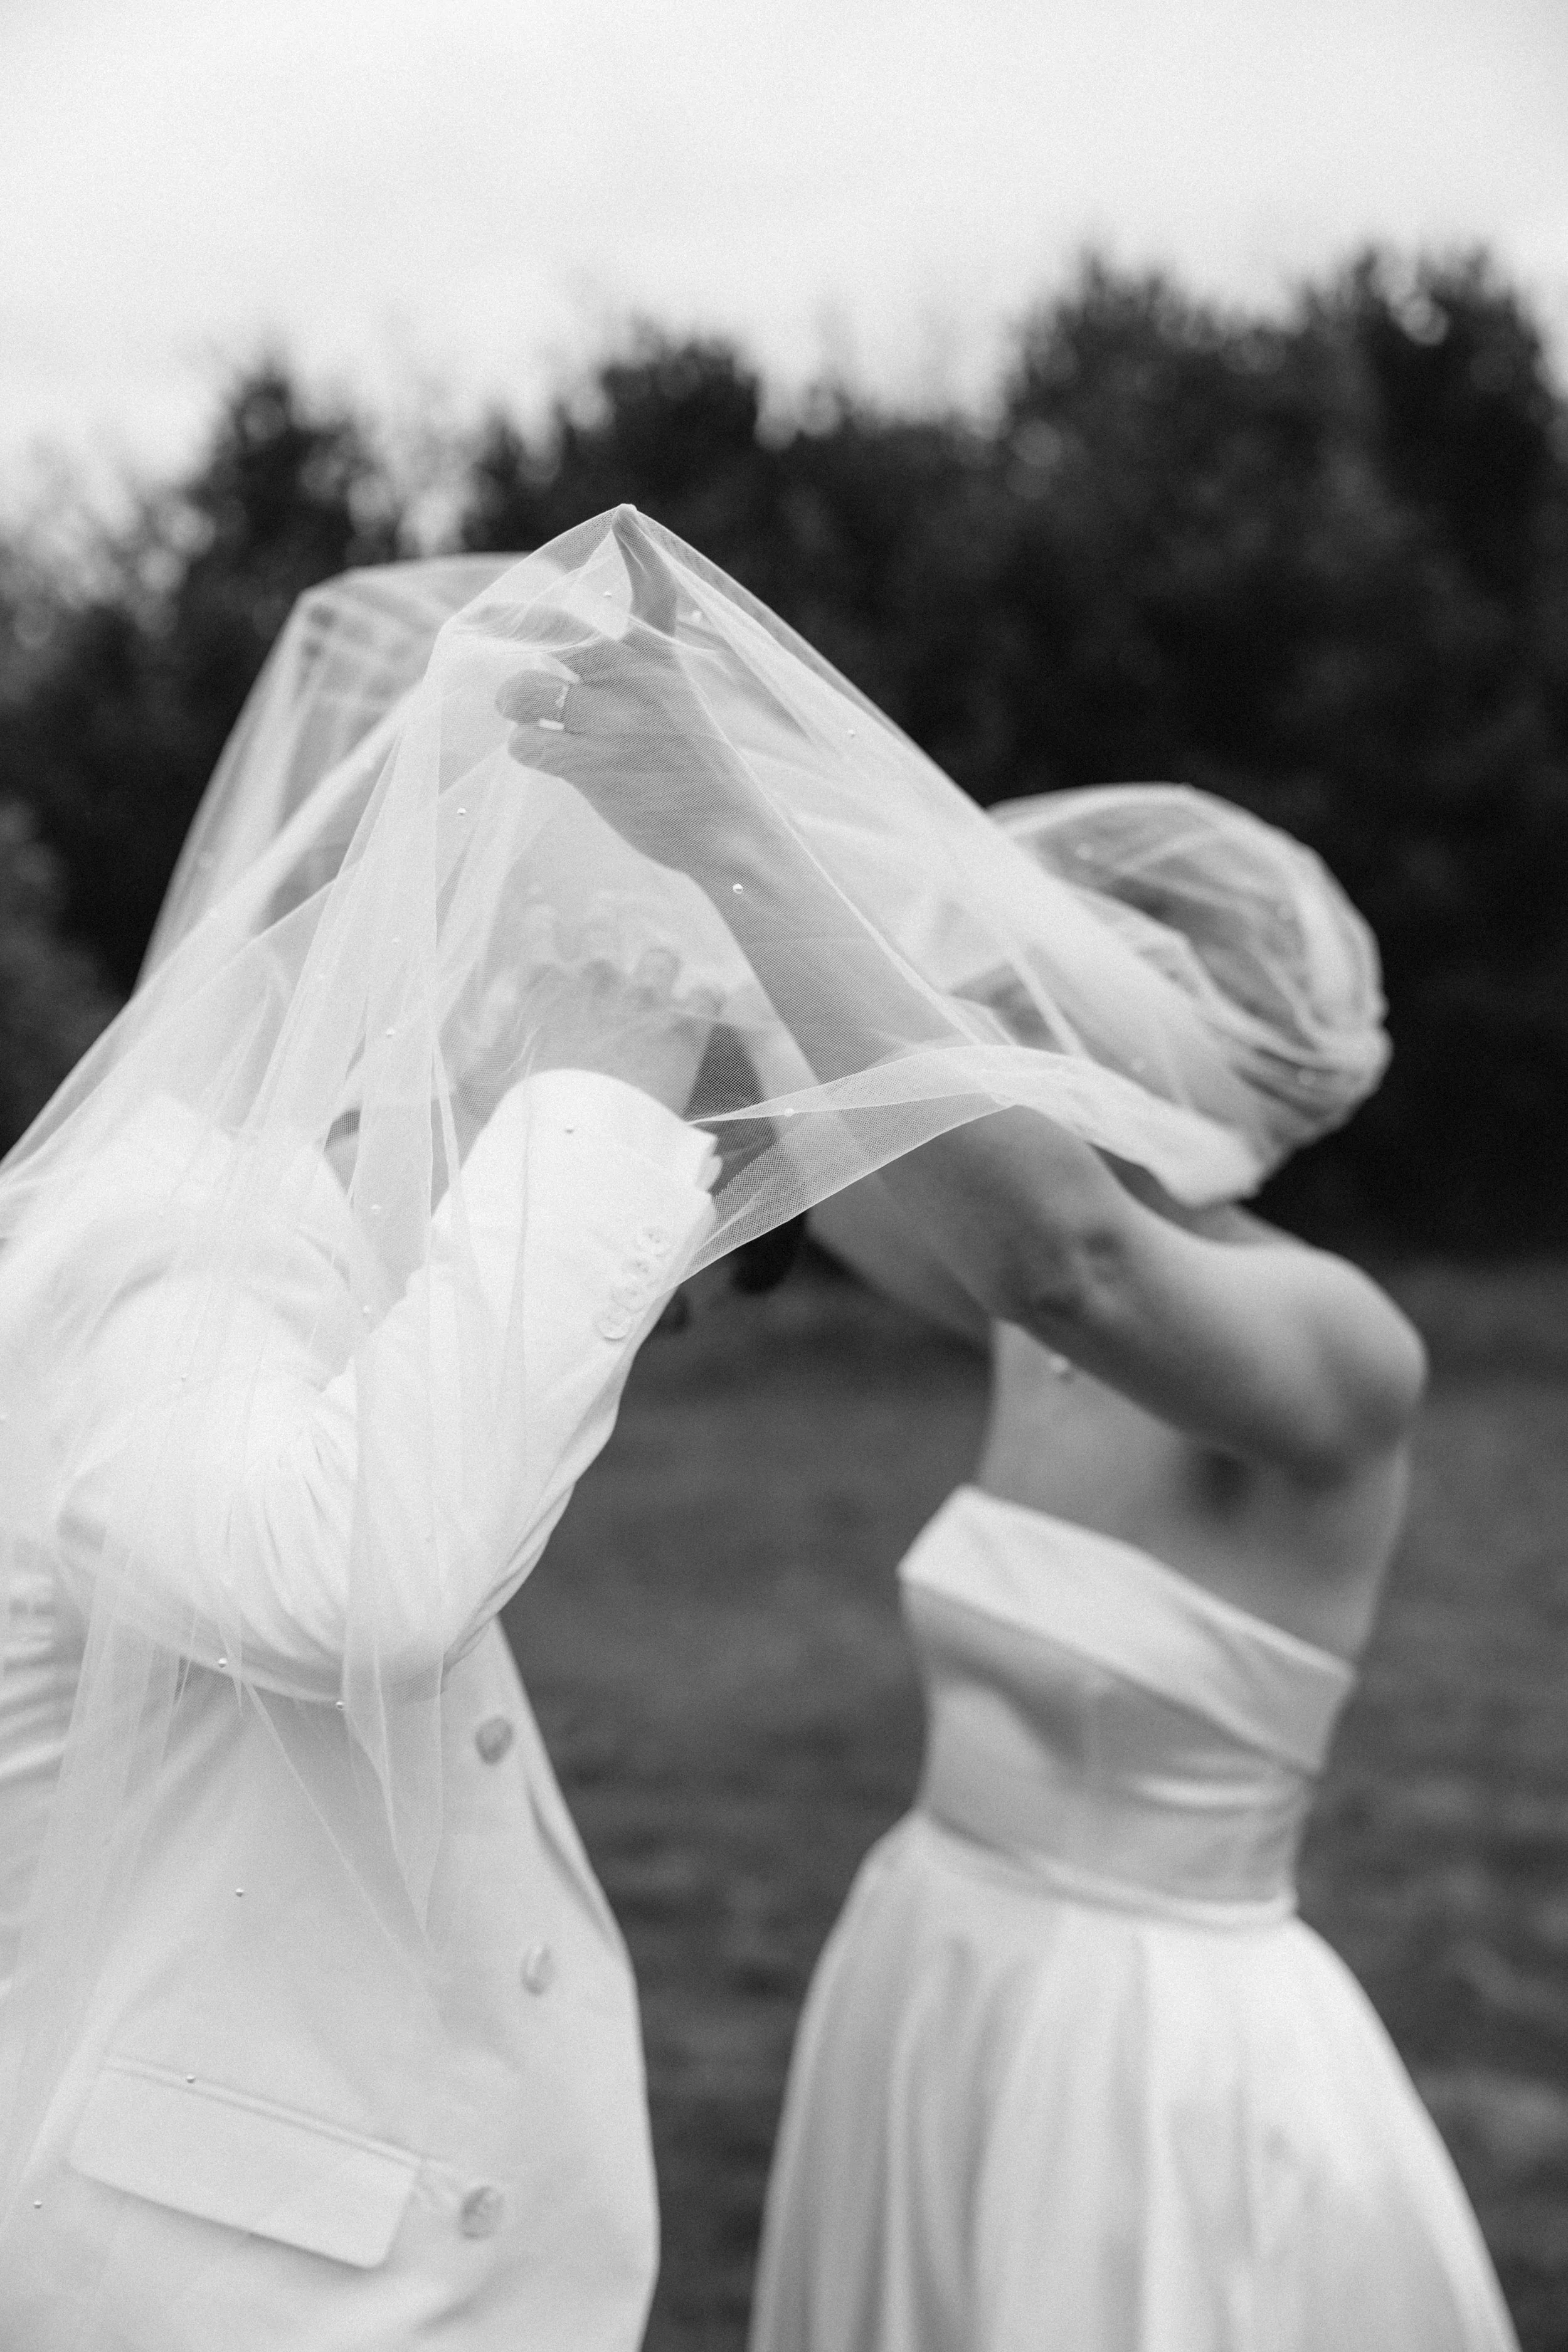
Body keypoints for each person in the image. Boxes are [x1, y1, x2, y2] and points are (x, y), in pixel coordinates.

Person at [739, 792, 1522, 2351]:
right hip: (933, 1954)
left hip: (1142, 2055)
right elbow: (836, 1177)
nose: (1001, 999)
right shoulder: (1043, 1311)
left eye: (1045, 973)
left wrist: (734, 842)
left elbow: (1068, 1262)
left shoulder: (1331, 1338)